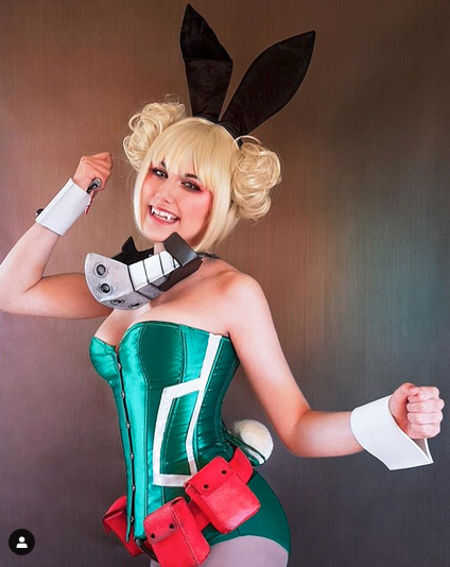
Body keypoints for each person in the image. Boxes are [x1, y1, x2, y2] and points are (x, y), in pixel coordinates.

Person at [0, 7, 444, 567]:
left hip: (236, 527)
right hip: (166, 535)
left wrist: (388, 418)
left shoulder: (234, 291)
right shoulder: (122, 283)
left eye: (192, 184)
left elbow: (298, 428)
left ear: (222, 200)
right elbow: (12, 291)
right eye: (160, 171)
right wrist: (73, 194)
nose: (165, 193)